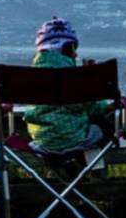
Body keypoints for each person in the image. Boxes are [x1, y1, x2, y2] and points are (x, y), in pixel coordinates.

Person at [23, 17, 113, 154]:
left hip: (41, 141)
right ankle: (94, 172)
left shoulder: (31, 76)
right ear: (66, 49)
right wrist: (92, 84)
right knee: (104, 126)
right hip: (74, 140)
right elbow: (93, 109)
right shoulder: (71, 77)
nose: (76, 54)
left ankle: (67, 171)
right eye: (72, 48)